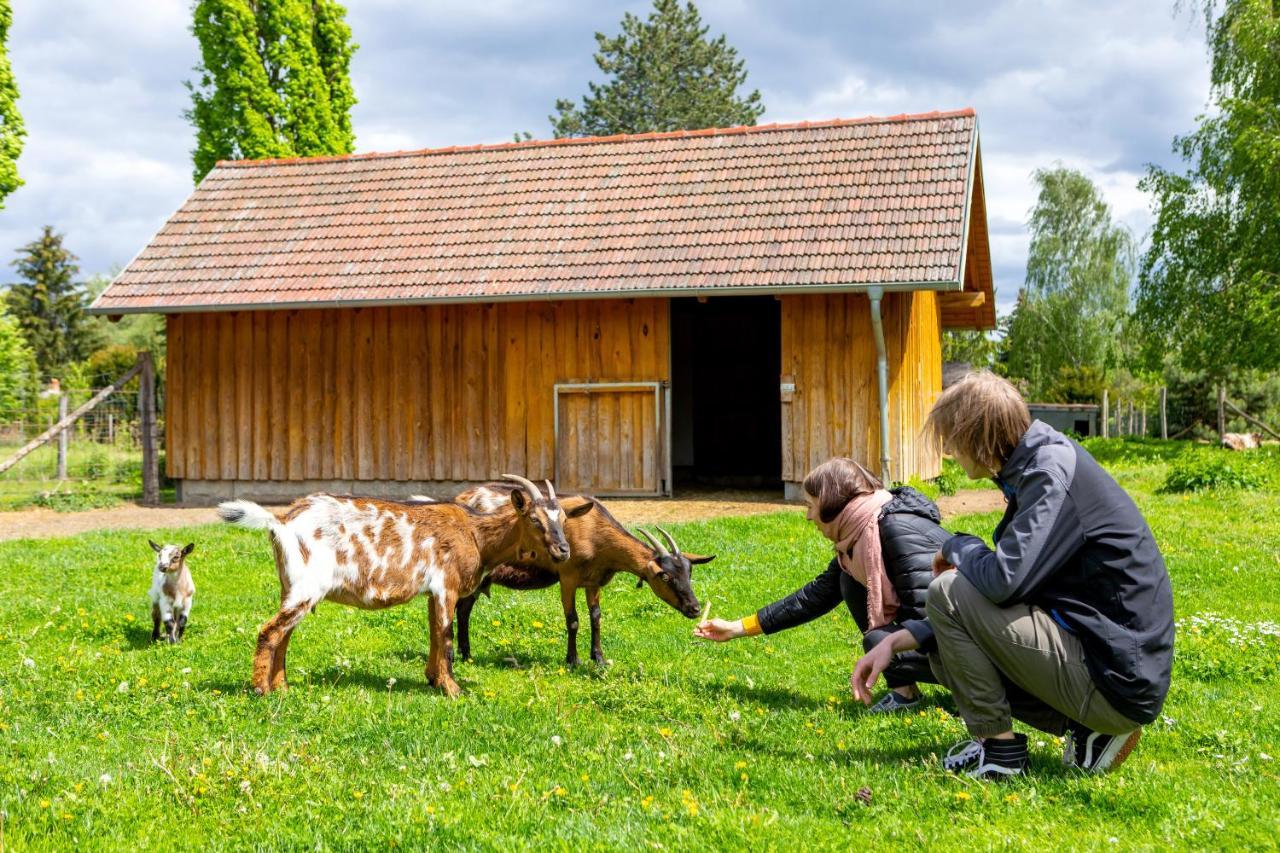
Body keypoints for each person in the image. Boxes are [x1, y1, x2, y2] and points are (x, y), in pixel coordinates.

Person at [852, 372, 1174, 779]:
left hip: (1116, 677)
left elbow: (1004, 582)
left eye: (952, 438)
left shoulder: (1047, 472)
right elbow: (1005, 595)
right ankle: (1089, 731)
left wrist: (957, 545)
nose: (949, 449)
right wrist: (899, 640)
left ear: (977, 436)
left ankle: (1000, 756)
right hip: (1112, 667)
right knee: (944, 643)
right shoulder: (1036, 464)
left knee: (948, 591)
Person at [695, 457, 950, 712]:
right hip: (945, 635)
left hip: (968, 642)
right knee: (848, 583)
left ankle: (974, 692)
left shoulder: (893, 528)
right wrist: (737, 628)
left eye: (810, 505)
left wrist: (887, 645)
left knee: (877, 641)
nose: (808, 516)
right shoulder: (861, 535)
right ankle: (904, 693)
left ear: (832, 501)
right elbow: (814, 598)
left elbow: (930, 616)